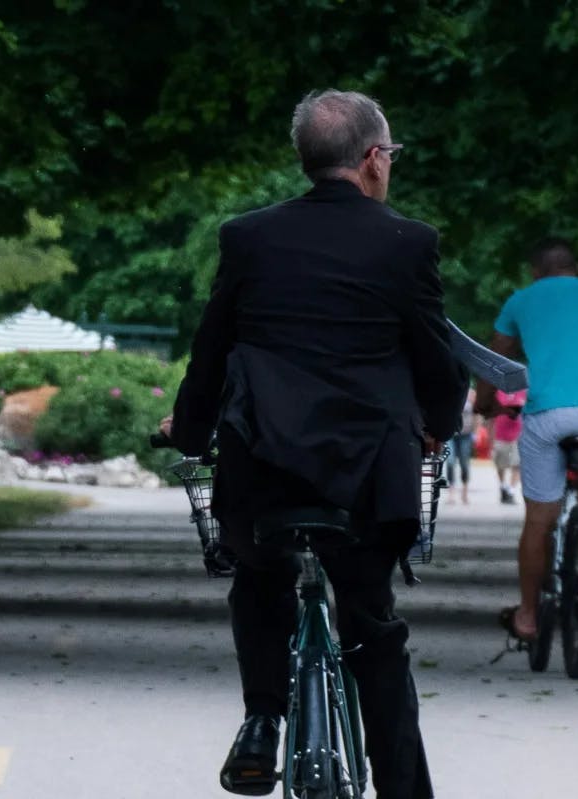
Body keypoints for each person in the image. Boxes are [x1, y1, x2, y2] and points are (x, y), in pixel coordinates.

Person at [160, 89, 465, 798]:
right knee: (373, 626)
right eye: (389, 154)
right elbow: (436, 362)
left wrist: (192, 431)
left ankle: (262, 721)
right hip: (368, 476)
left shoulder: (248, 236)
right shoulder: (407, 241)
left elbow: (211, 354)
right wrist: (438, 426)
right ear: (370, 160)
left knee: (259, 577)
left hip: (262, 465)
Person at [475, 237, 578, 642]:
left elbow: (493, 363)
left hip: (550, 415)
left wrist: (485, 405)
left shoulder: (522, 300)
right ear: (576, 268)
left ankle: (528, 617)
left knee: (539, 520)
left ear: (536, 271)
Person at [490, 388, 525, 504]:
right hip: (500, 435)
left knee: (517, 464)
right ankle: (503, 486)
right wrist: (490, 438)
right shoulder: (498, 392)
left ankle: (511, 490)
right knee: (500, 464)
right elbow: (491, 415)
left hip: (518, 435)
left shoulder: (523, 392)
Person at [445, 387, 479, 505]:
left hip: (466, 434)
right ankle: (451, 493)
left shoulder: (471, 393)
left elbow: (476, 414)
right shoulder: (449, 391)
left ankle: (464, 492)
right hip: (450, 434)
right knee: (450, 461)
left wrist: (476, 432)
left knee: (464, 462)